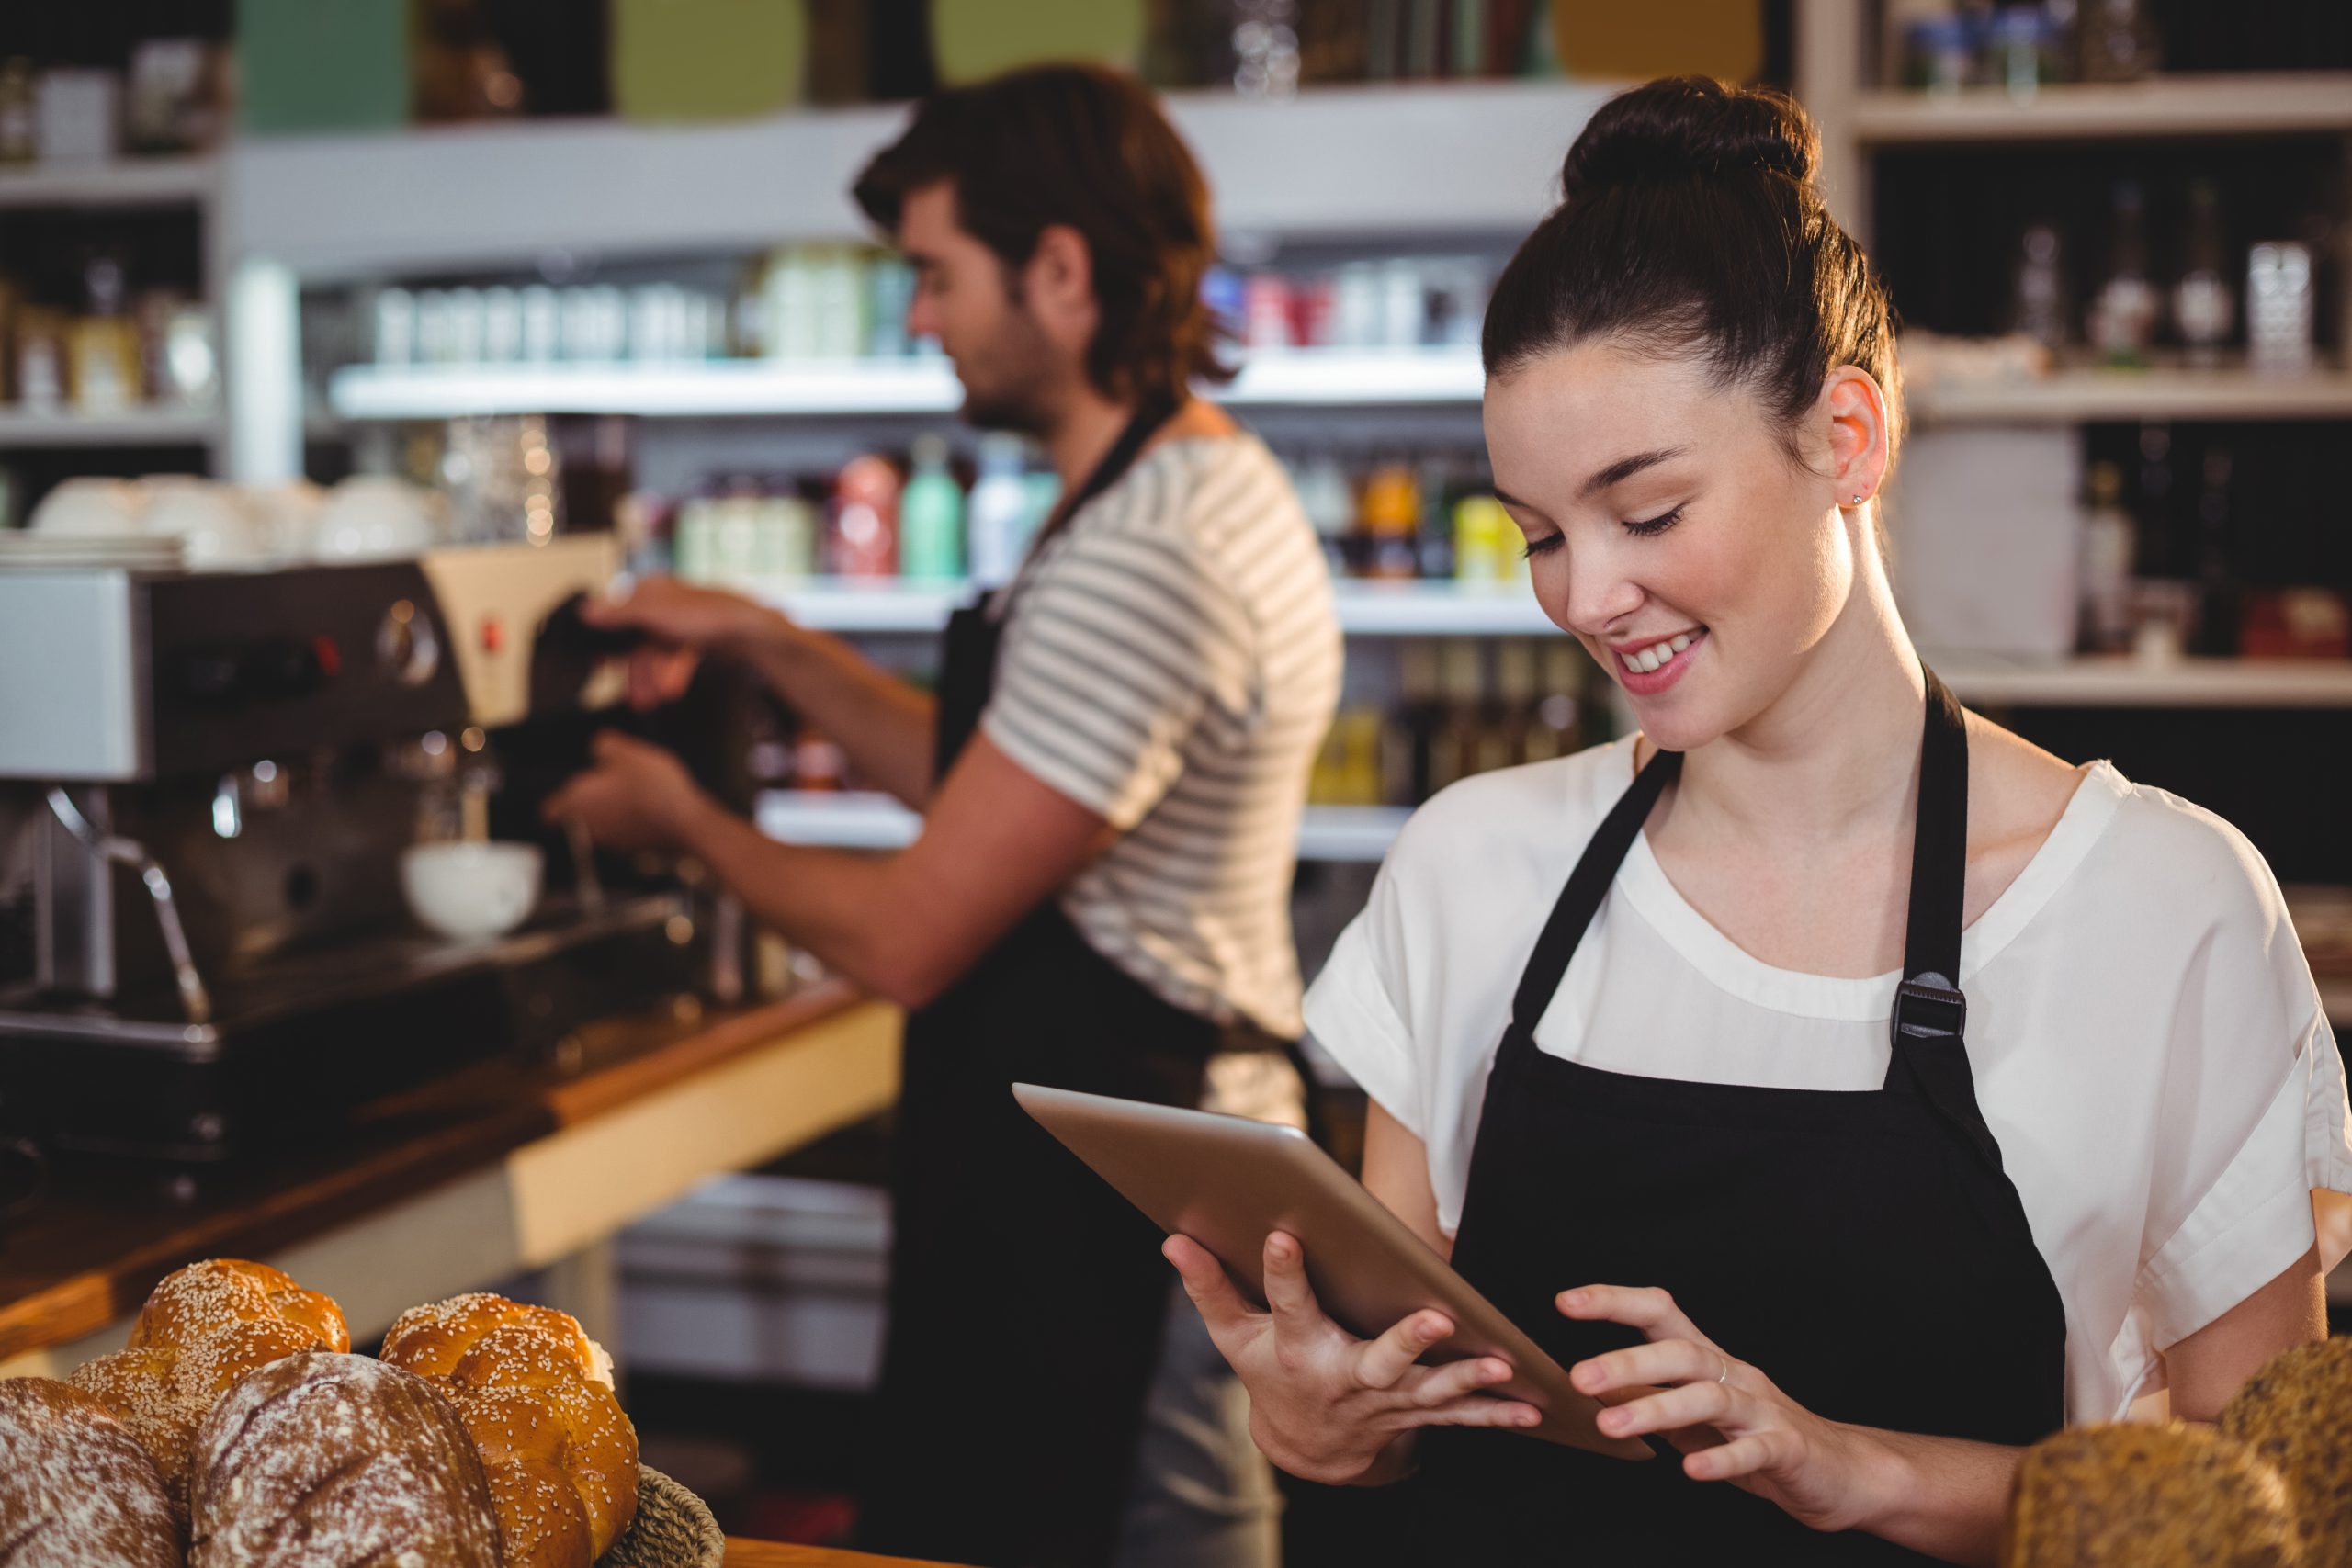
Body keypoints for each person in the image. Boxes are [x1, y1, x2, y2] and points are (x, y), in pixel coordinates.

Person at [1164, 75, 2352, 1564]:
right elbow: (1398, 1429)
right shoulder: (1476, 868)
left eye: (1647, 512)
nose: (1587, 597)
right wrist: (1318, 1426)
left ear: (1846, 437)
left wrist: (1856, 1468)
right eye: (1540, 534)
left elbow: (2269, 1518)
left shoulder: (2164, 907)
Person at [548, 63, 1340, 1568]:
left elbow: (914, 936)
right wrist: (769, 642)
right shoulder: (1159, 490)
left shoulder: (1149, 552)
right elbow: (999, 776)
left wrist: (682, 821)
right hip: (1107, 1161)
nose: (918, 318)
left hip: (1135, 1199)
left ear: (1060, 269)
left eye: (933, 275)